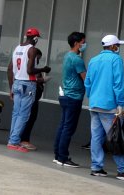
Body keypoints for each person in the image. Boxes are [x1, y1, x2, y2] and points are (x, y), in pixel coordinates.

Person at [84, 34, 124, 182]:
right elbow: (118, 83)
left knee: (96, 138)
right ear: (113, 46)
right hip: (109, 106)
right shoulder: (116, 59)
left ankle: (96, 167)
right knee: (116, 138)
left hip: (94, 104)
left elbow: (87, 82)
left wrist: (92, 96)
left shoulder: (93, 60)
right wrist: (120, 103)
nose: (119, 48)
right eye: (118, 45)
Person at [6, 27, 50, 152]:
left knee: (16, 113)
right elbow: (30, 70)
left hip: (17, 83)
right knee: (24, 115)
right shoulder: (32, 50)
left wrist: (11, 88)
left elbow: (10, 69)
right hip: (28, 84)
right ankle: (14, 142)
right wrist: (44, 69)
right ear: (35, 38)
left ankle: (11, 140)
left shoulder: (17, 48)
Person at [52, 31, 86, 168]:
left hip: (65, 95)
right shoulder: (77, 59)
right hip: (74, 97)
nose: (84, 44)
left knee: (63, 126)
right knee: (68, 128)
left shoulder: (67, 56)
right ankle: (63, 157)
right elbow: (85, 78)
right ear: (77, 43)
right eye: (83, 42)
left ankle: (58, 155)